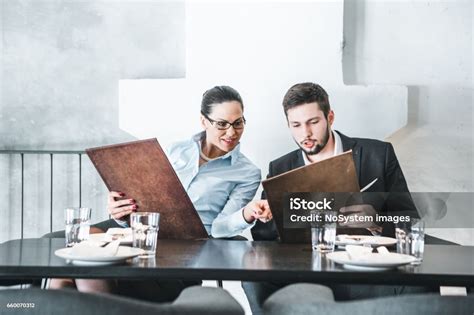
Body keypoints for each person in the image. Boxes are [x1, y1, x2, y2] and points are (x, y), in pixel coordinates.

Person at [49, 85, 272, 300]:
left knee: (85, 269)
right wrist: (121, 210)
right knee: (70, 252)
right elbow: (143, 198)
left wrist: (246, 214)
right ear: (204, 120)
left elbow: (219, 228)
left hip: (184, 245)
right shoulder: (174, 149)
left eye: (238, 123)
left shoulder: (247, 172)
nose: (232, 132)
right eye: (222, 124)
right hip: (142, 230)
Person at [241, 82, 425, 315]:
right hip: (307, 270)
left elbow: (410, 219)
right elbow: (262, 238)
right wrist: (268, 215)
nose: (304, 134)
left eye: (313, 122)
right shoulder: (280, 167)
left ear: (330, 117)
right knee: (253, 279)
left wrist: (377, 222)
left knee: (419, 280)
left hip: (365, 266)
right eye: (295, 125)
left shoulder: (378, 155)